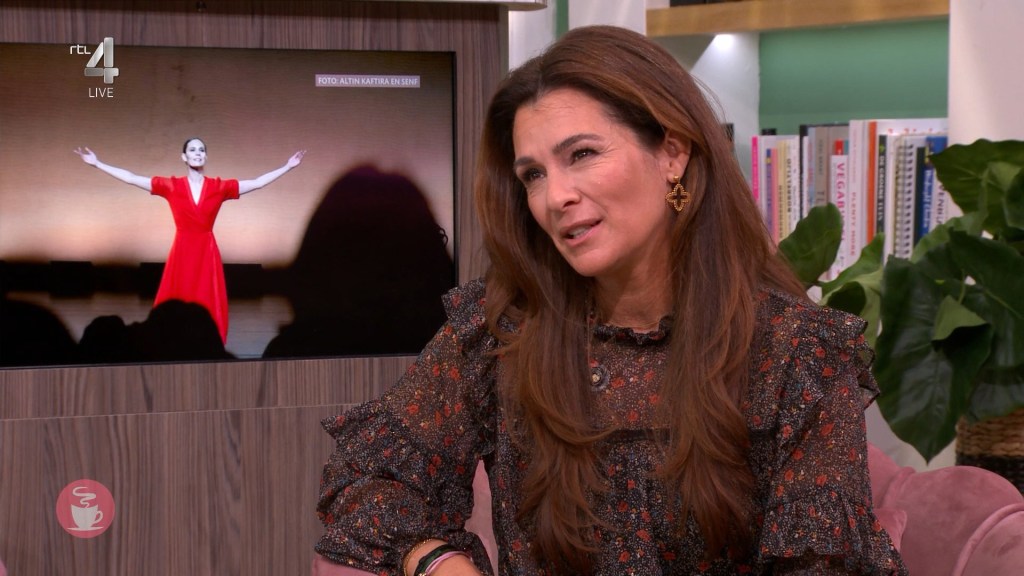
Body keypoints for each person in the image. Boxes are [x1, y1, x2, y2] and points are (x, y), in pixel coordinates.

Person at [315, 25, 906, 576]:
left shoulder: (797, 354)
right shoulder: (500, 333)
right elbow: (366, 479)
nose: (555, 197)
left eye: (581, 155)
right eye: (533, 175)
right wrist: (438, 563)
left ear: (672, 152)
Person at [75, 139, 305, 343]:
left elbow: (256, 183)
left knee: (207, 299)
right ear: (184, 157)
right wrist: (97, 164)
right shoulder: (172, 186)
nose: (197, 153)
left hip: (206, 251)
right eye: (192, 150)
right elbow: (131, 178)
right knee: (177, 296)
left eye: (201, 150)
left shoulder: (219, 187)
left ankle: (207, 342)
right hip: (182, 250)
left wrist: (287, 167)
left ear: (206, 156)